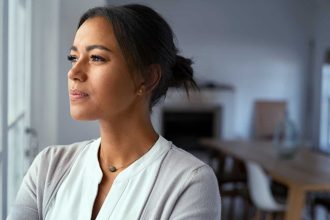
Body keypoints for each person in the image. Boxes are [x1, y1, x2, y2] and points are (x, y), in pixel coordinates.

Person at [8, 4, 221, 220]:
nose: (74, 72)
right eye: (73, 57)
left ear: (147, 78)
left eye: (96, 58)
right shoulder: (48, 166)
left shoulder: (190, 183)